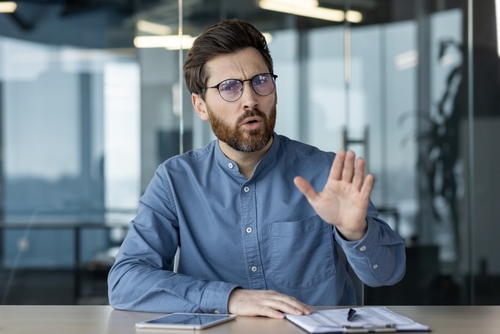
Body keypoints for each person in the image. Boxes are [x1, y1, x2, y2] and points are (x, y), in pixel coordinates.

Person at [108, 18, 405, 319]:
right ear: (200, 106)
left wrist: (356, 232)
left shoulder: (324, 172)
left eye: (261, 81)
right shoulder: (175, 181)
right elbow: (124, 282)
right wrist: (229, 298)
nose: (250, 100)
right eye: (229, 88)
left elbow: (387, 275)